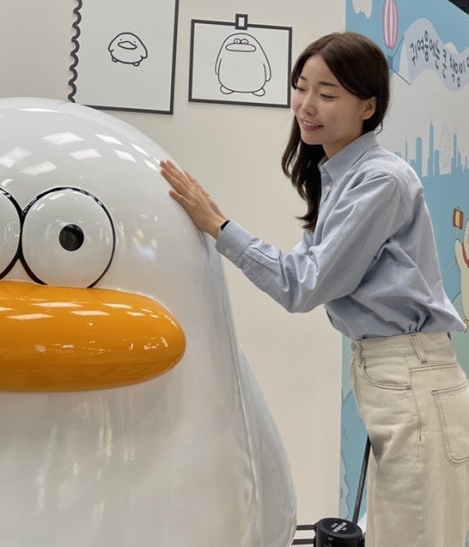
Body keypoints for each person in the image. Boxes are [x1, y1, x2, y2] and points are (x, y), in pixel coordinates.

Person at [160, 31, 469, 547]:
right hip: (393, 373)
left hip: (411, 375)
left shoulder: (379, 180)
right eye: (301, 86)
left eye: (327, 94)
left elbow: (301, 285)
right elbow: (303, 272)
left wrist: (218, 226)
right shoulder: (341, 176)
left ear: (368, 106)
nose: (306, 105)